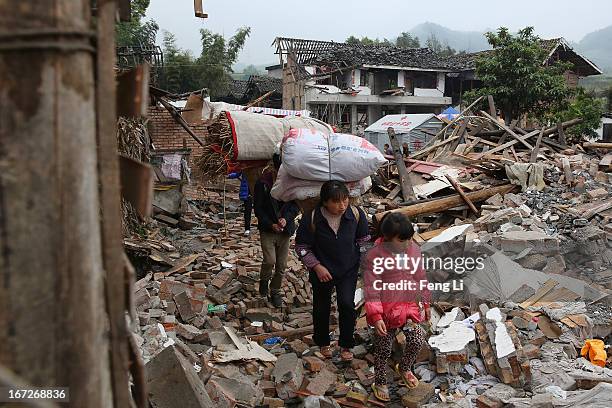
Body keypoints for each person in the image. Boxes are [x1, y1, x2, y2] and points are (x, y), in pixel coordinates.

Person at [295, 181, 370, 361]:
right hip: (322, 270)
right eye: (336, 202)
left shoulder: (355, 214)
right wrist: (317, 266)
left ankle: (346, 345)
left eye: (345, 200)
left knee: (346, 305)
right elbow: (302, 247)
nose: (342, 206)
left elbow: (364, 240)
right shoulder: (312, 218)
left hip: (348, 269)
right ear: (325, 202)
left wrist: (364, 262)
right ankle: (323, 342)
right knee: (321, 307)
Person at [363, 212, 430, 401]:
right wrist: (375, 316)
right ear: (386, 239)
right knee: (383, 349)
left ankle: (405, 367)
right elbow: (371, 288)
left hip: (409, 308)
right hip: (386, 312)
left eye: (409, 239)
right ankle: (381, 381)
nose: (407, 243)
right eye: (402, 240)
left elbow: (421, 277)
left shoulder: (413, 250)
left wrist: (425, 302)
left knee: (417, 339)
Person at [253, 154, 300, 308]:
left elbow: (295, 206)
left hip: (285, 231)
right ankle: (264, 282)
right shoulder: (263, 183)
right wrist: (270, 224)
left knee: (281, 266)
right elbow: (258, 208)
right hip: (268, 230)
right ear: (274, 167)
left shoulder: (292, 184)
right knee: (270, 261)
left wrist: (286, 219)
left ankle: (275, 291)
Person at [228, 171, 253, 236]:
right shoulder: (244, 166)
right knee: (247, 211)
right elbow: (237, 173)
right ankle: (247, 228)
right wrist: (230, 175)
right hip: (247, 192)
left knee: (259, 210)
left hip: (258, 191)